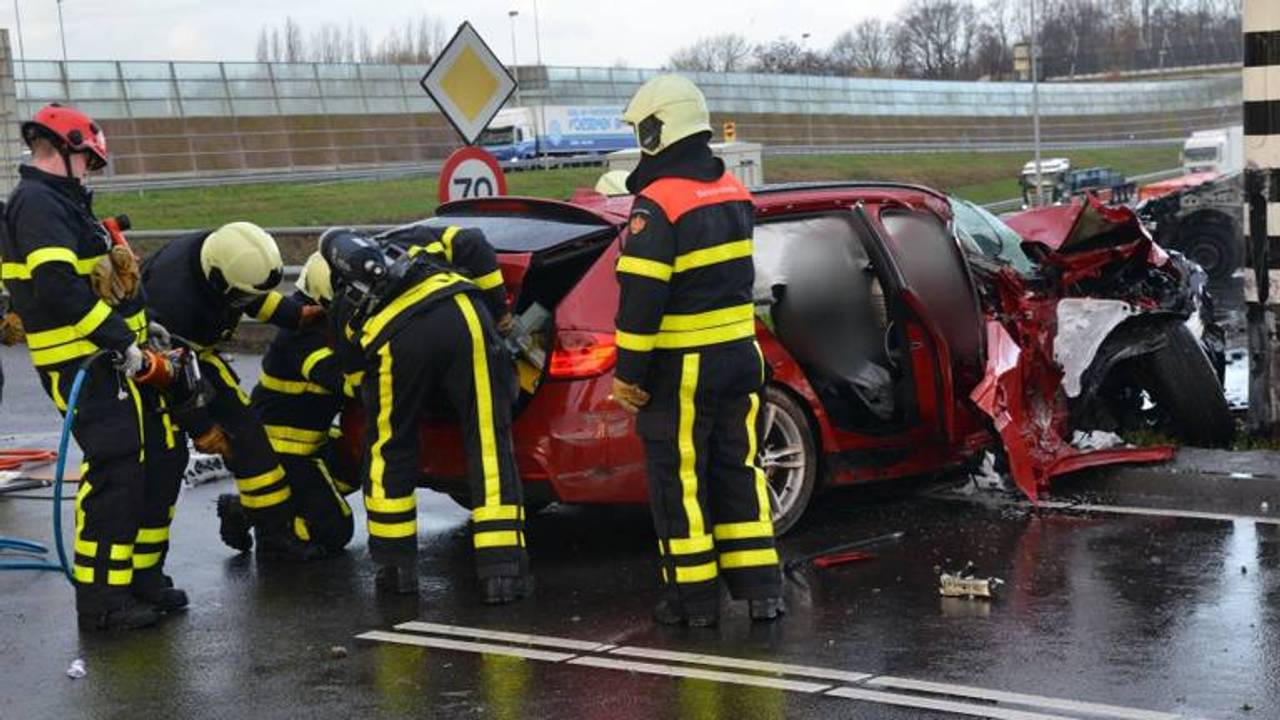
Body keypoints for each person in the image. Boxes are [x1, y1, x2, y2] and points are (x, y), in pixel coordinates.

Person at [1, 103, 189, 631]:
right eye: (87, 160)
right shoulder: (39, 206)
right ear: (65, 149)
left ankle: (142, 577)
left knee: (162, 459)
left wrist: (142, 331)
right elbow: (59, 290)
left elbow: (103, 280)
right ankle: (103, 602)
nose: (90, 170)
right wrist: (119, 344)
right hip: (83, 363)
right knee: (118, 469)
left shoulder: (64, 204)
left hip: (117, 359)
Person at [612, 75, 784, 627]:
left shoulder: (657, 203)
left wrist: (629, 375)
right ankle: (763, 591)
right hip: (742, 354)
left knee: (679, 479)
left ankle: (694, 602)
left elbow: (642, 298)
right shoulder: (734, 189)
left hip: (684, 365)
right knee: (740, 469)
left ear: (659, 128)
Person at [319, 222, 529, 603]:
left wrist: (418, 393)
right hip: (463, 316)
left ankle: (396, 572)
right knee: (488, 442)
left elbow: (358, 384)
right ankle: (503, 574)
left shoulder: (339, 308)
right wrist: (499, 310)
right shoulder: (408, 239)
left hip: (394, 344)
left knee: (389, 448)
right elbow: (473, 242)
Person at [141, 221, 325, 561]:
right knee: (171, 460)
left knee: (248, 437)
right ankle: (146, 573)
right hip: (165, 367)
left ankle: (273, 534)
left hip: (193, 354)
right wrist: (202, 427)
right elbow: (174, 373)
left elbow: (248, 297)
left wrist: (295, 315)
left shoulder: (223, 256)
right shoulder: (175, 300)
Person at [246, 253, 358, 553]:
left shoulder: (321, 317)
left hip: (313, 442)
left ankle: (271, 501)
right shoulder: (300, 333)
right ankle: (258, 514)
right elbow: (339, 379)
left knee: (359, 460)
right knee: (336, 531)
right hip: (283, 450)